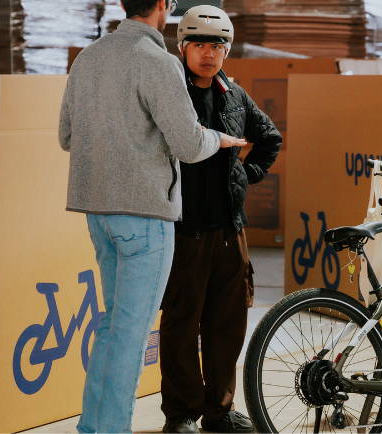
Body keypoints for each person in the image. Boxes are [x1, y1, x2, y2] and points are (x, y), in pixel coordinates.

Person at [58, 0, 248, 431]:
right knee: (129, 333)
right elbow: (187, 143)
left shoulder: (89, 58)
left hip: (97, 211)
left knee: (112, 326)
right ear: (163, 5)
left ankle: (94, 427)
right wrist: (218, 139)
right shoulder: (157, 61)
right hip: (144, 215)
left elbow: (66, 135)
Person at [159, 5, 282, 433]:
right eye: (199, 45)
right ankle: (180, 415)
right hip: (183, 229)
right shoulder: (170, 91)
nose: (209, 54)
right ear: (183, 47)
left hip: (231, 231)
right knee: (180, 325)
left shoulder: (234, 93)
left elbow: (269, 138)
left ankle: (219, 411)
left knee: (226, 326)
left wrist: (244, 176)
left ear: (226, 50)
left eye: (217, 45)